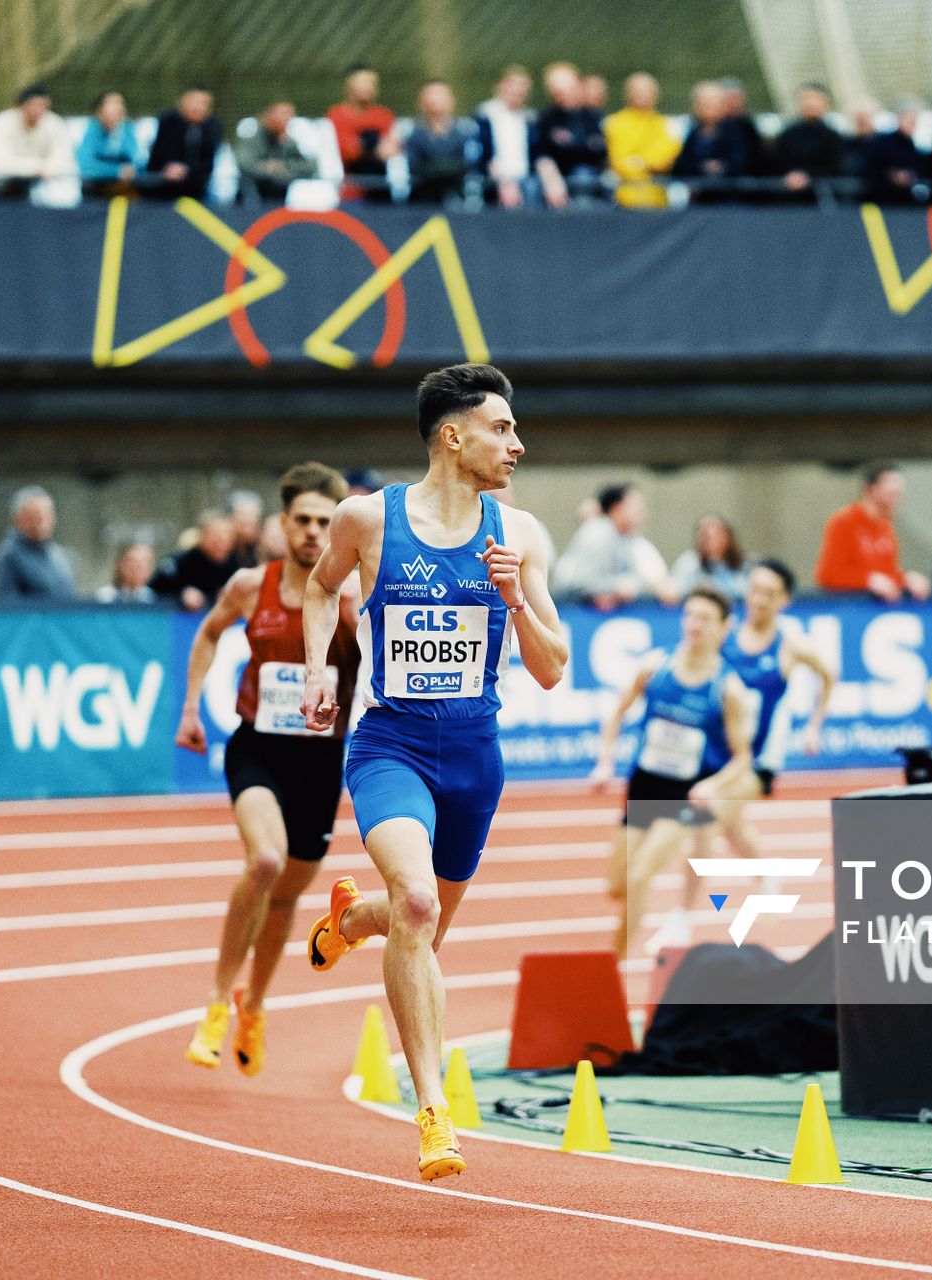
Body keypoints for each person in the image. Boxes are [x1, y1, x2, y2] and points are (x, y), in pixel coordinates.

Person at [297, 364, 567, 1182]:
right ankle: (434, 1112)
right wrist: (319, 667)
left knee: (424, 930)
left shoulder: (519, 534)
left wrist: (514, 601)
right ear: (455, 436)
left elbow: (553, 669)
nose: (517, 444)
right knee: (416, 905)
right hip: (391, 748)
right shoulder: (365, 519)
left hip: (474, 760)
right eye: (503, 428)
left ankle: (351, 921)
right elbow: (319, 588)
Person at [178, 464, 361, 1076]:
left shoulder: (355, 593)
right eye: (302, 521)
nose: (312, 532)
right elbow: (206, 636)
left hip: (320, 759)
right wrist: (190, 708)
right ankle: (215, 1003)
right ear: (283, 526)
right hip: (257, 747)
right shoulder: (252, 585)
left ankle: (253, 1004)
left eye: (324, 522)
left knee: (284, 897)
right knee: (264, 861)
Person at [645, 559, 837, 952]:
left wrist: (815, 725)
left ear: (784, 600)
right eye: (754, 590)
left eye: (769, 593)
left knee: (707, 817)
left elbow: (829, 673)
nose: (759, 600)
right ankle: (768, 876)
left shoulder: (791, 645)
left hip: (758, 760)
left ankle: (681, 917)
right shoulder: (725, 636)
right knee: (732, 825)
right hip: (717, 754)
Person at [590, 587, 753, 959]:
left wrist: (714, 784)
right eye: (690, 616)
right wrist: (605, 759)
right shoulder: (655, 667)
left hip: (685, 796)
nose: (695, 625)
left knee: (639, 877)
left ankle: (614, 968)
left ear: (724, 628)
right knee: (616, 885)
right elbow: (616, 712)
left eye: (705, 618)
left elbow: (742, 759)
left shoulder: (728, 690)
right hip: (644, 786)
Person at [813, 463, 931, 601]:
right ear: (871, 489)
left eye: (899, 494)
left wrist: (906, 580)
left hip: (875, 609)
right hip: (849, 608)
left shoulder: (886, 527)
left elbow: (885, 575)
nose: (896, 500)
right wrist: (868, 580)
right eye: (891, 493)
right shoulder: (844, 522)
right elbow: (828, 575)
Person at [551, 484, 678, 608]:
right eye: (635, 504)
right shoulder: (597, 533)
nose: (641, 510)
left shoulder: (628, 538)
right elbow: (580, 583)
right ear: (617, 507)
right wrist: (615, 587)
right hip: (574, 611)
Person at [0, 84, 76, 200]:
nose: (39, 111)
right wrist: (37, 167)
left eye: (44, 106)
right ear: (20, 105)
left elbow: (63, 158)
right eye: (34, 105)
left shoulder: (54, 124)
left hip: (35, 191)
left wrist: (47, 169)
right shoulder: (1, 123)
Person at [605, 72, 681, 209]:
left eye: (647, 91)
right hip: (624, 201)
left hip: (658, 201)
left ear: (656, 94)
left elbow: (664, 161)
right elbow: (618, 162)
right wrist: (646, 163)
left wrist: (637, 162)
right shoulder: (614, 123)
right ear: (627, 94)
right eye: (637, 91)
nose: (642, 96)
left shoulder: (666, 125)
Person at [536, 62, 608, 199]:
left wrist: (570, 145)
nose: (562, 94)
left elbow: (599, 149)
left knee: (583, 175)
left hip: (587, 173)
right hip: (556, 175)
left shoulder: (591, 116)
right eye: (557, 90)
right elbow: (545, 151)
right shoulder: (547, 118)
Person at [328, 63, 398, 203]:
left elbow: (389, 150)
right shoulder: (336, 116)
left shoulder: (384, 115)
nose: (367, 87)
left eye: (371, 83)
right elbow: (346, 151)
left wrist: (365, 147)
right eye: (361, 82)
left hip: (380, 192)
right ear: (349, 85)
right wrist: (372, 148)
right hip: (349, 194)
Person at [673, 80, 751, 203]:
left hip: (729, 202)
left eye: (710, 103)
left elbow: (742, 163)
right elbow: (680, 166)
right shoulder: (693, 133)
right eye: (702, 102)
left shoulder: (736, 130)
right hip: (699, 202)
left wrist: (720, 168)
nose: (705, 107)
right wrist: (702, 169)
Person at [403, 81, 479, 205]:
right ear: (421, 102)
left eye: (440, 95)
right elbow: (412, 165)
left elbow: (469, 165)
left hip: (456, 200)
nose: (434, 100)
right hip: (420, 202)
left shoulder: (465, 132)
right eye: (431, 95)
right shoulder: (411, 132)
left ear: (451, 101)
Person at [0, 486, 76, 600]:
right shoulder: (9, 556)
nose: (41, 523)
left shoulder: (60, 554)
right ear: (18, 519)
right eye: (34, 517)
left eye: (46, 516)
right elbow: (9, 604)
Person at [476, 66, 541, 209]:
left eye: (522, 90)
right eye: (513, 88)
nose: (517, 93)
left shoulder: (529, 119)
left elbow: (538, 154)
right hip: (494, 180)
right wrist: (504, 182)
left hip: (526, 179)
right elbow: (483, 155)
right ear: (501, 87)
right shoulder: (486, 116)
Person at [772, 83, 847, 202]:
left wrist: (808, 176)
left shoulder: (834, 137)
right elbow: (776, 163)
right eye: (807, 98)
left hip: (826, 201)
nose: (811, 103)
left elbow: (837, 167)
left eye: (816, 99)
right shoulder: (788, 135)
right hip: (790, 202)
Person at [151, 511, 238, 610]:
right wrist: (181, 595)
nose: (222, 544)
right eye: (217, 538)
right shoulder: (178, 564)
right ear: (202, 535)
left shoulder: (236, 566)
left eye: (227, 538)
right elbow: (150, 594)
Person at [146, 88, 220, 201]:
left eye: (203, 103)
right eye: (194, 102)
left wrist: (187, 170)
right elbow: (158, 155)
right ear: (182, 103)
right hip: (162, 182)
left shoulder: (213, 127)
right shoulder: (167, 121)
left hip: (196, 187)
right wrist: (171, 169)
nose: (197, 107)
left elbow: (207, 162)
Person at [235, 101, 316, 202]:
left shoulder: (288, 140)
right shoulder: (253, 134)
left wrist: (285, 166)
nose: (286, 120)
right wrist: (266, 168)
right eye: (283, 115)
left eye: (289, 116)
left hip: (281, 195)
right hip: (253, 195)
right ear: (270, 116)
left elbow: (311, 165)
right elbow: (244, 163)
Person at [77, 91, 144, 194]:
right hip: (95, 189)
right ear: (99, 111)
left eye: (120, 104)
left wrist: (131, 169)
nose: (117, 108)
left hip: (122, 188)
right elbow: (85, 165)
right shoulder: (90, 129)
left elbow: (139, 160)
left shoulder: (128, 129)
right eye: (112, 104)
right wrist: (116, 171)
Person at [669, 514, 746, 597]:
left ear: (728, 538)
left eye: (715, 535)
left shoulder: (744, 563)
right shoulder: (688, 562)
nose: (708, 541)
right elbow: (675, 591)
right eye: (704, 536)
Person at [228, 490, 265, 568]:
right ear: (231, 518)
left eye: (255, 516)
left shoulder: (256, 547)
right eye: (244, 515)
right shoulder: (222, 549)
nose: (251, 520)